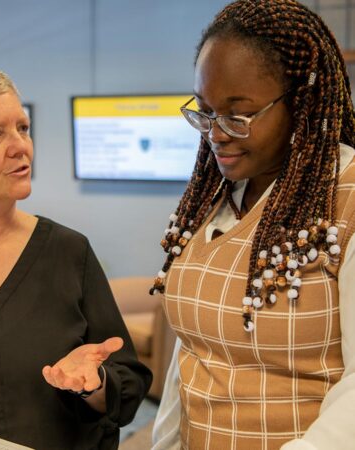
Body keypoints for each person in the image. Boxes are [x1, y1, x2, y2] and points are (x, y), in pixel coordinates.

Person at [0, 65, 152, 450]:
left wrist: (94, 384)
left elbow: (127, 385)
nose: (21, 146)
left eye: (23, 127)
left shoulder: (69, 252)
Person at [150, 1, 355, 449]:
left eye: (238, 114)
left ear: (301, 101)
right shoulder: (212, 196)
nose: (216, 133)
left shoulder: (346, 201)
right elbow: (193, 354)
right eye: (205, 111)